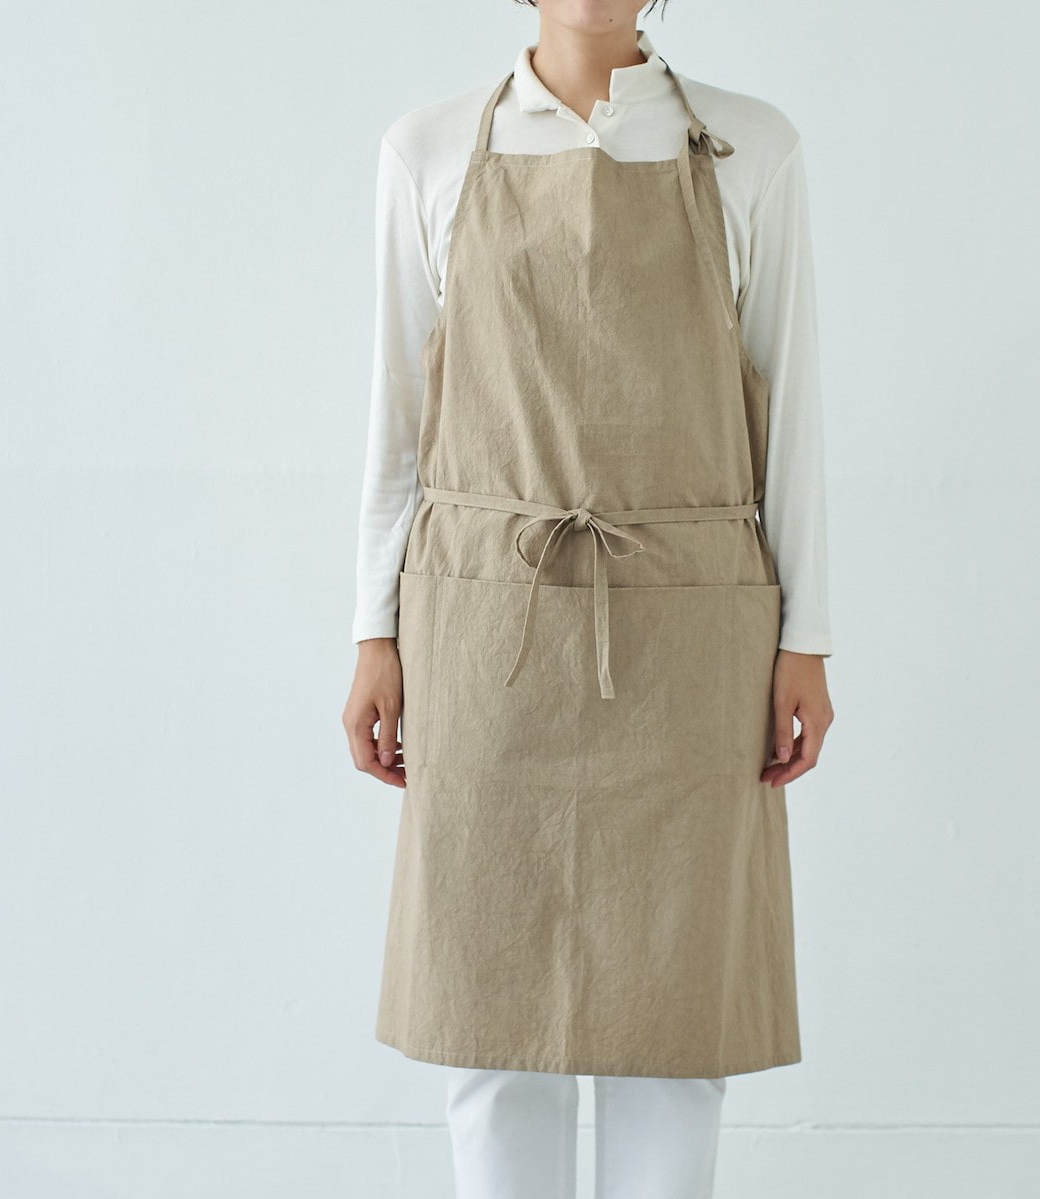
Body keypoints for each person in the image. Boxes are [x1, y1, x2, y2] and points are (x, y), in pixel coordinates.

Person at [342, 3, 836, 1195]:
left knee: (677, 1028)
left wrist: (806, 637)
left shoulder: (751, 150)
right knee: (491, 1024)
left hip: (690, 630)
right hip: (486, 628)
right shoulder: (430, 149)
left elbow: (793, 411)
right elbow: (398, 423)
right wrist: (374, 628)